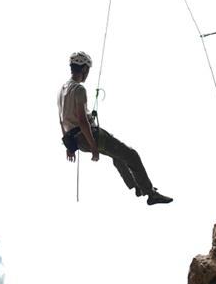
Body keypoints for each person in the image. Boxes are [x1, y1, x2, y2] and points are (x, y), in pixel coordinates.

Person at [58, 51, 173, 205]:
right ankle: (150, 194)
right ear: (84, 68)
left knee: (118, 155)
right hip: (87, 136)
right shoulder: (79, 89)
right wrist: (93, 146)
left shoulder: (62, 90)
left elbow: (62, 121)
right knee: (132, 155)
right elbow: (82, 120)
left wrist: (69, 146)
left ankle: (137, 186)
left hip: (76, 140)